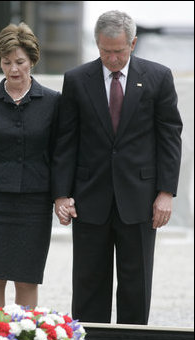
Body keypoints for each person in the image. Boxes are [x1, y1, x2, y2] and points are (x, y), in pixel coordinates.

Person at [52, 10, 182, 324]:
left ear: (133, 43)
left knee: (136, 287)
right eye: (105, 51)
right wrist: (60, 195)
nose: (112, 58)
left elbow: (169, 137)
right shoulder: (76, 79)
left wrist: (166, 192)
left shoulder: (158, 77)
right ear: (96, 44)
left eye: (119, 51)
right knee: (88, 285)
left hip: (140, 199)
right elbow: (66, 141)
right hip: (88, 199)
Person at [0, 23, 60, 308]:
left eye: (20, 62)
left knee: (27, 279)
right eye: (6, 63)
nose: (14, 69)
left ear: (32, 61)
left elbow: (60, 154)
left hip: (35, 203)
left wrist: (61, 197)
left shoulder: (53, 102)